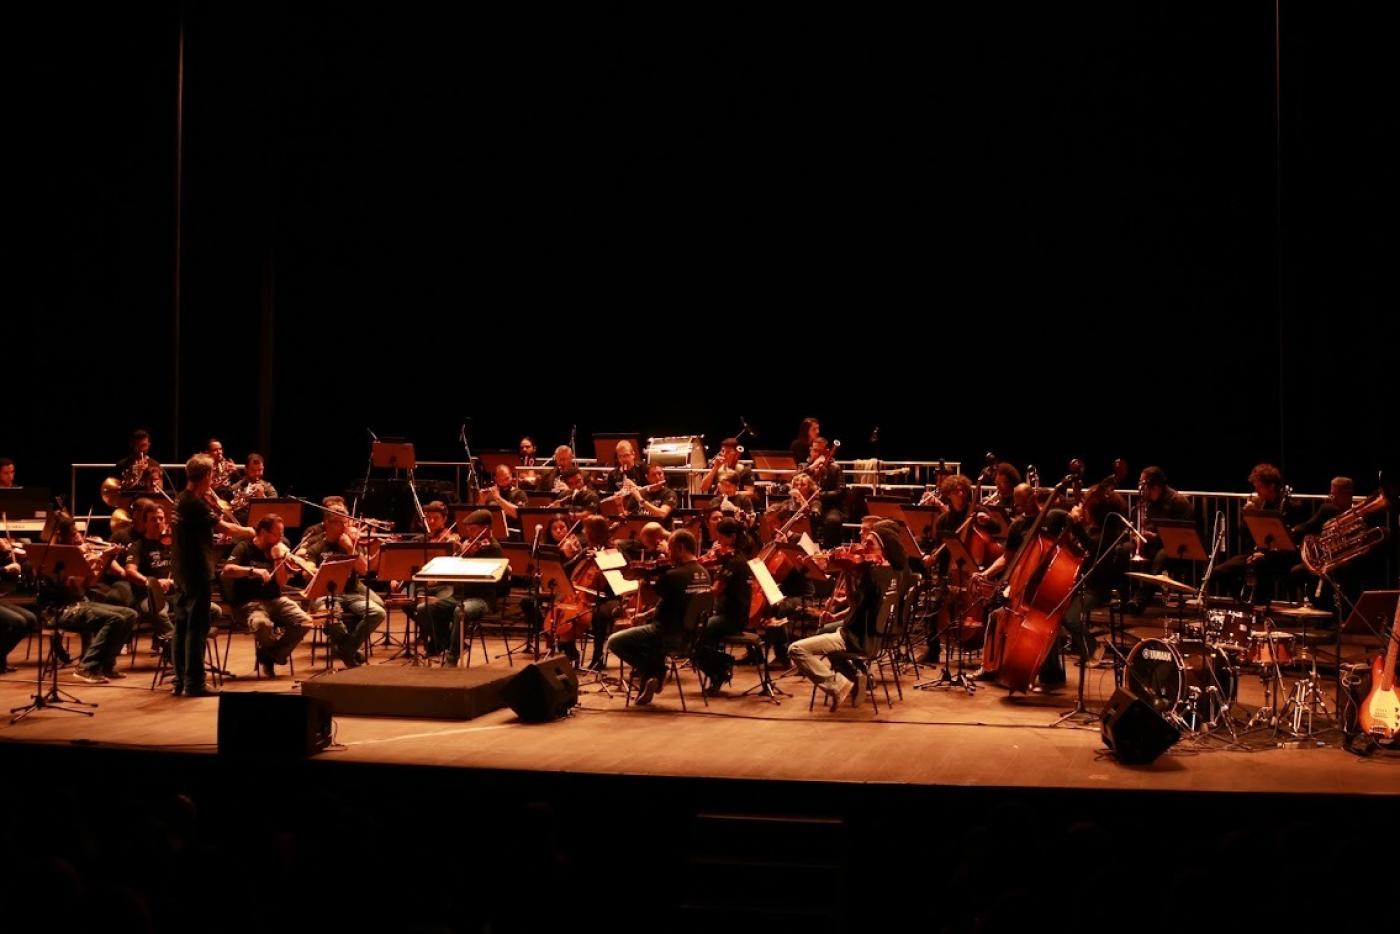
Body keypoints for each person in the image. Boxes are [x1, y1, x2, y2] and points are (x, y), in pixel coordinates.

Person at [789, 522, 904, 706]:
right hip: (873, 638)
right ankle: (856, 676)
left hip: (853, 637)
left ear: (883, 549)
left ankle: (838, 686)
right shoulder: (892, 574)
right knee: (826, 639)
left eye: (870, 545)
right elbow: (862, 606)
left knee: (796, 649)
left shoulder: (871, 576)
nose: (863, 549)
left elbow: (855, 605)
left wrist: (847, 572)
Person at [170, 455, 253, 695]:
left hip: (181, 570)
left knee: (182, 627)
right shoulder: (195, 504)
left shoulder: (181, 499)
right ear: (206, 476)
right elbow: (224, 527)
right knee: (197, 628)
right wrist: (248, 531)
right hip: (196, 570)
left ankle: (179, 681)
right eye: (212, 475)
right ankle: (194, 684)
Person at [605, 530, 709, 705]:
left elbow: (650, 599)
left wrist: (644, 582)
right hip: (690, 638)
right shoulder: (704, 573)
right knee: (649, 641)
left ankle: (654, 672)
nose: (668, 554)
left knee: (615, 641)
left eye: (671, 549)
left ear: (681, 548)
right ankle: (653, 674)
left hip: (664, 634)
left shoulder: (673, 576)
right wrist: (646, 614)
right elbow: (676, 604)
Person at [221, 514, 311, 677]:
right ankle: (272, 654)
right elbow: (227, 570)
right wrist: (253, 571)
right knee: (262, 625)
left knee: (305, 622)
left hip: (275, 600)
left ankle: (269, 655)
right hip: (248, 603)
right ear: (263, 532)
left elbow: (282, 583)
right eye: (277, 534)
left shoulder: (278, 549)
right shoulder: (244, 547)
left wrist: (278, 559)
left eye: (282, 534)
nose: (280, 538)